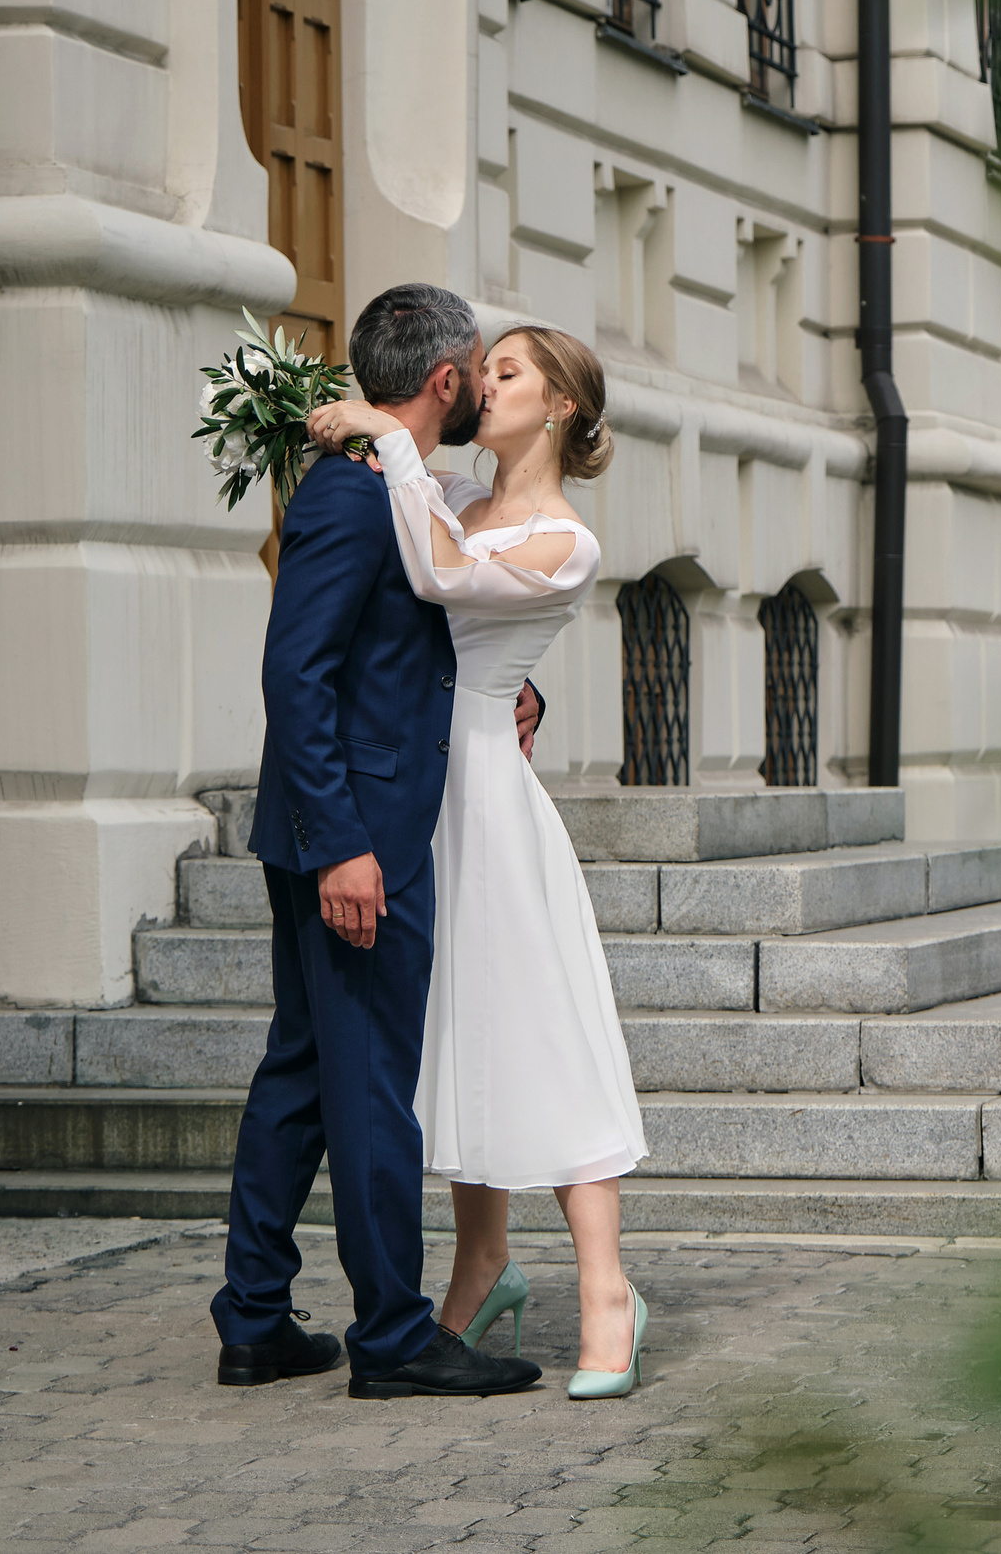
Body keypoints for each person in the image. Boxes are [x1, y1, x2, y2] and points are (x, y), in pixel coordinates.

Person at [210, 284, 544, 1401]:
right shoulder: (351, 499)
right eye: (480, 372)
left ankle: (255, 1317)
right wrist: (342, 843)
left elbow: (405, 644)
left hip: (346, 819)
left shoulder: (394, 491)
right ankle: (395, 1336)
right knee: (366, 1085)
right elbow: (293, 676)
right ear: (445, 380)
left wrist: (503, 691)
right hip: (352, 834)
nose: (482, 389)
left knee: (307, 1070)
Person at [309, 325, 651, 1399]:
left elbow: (442, 578)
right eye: (486, 367)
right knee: (453, 1041)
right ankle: (480, 1265)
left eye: (506, 373)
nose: (482, 386)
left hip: (493, 808)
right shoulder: (457, 493)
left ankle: (608, 1293)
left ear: (557, 406)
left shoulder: (564, 537)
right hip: (419, 796)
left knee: (538, 1033)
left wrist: (386, 438)